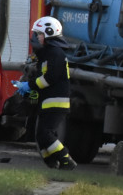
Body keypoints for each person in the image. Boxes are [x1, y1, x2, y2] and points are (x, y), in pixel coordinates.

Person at [15, 16, 77, 170]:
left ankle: (66, 160)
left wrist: (28, 86)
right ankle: (52, 164)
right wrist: (27, 91)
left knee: (46, 134)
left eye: (38, 34)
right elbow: (40, 77)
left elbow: (50, 78)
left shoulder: (55, 54)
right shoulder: (47, 54)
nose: (36, 38)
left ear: (49, 34)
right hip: (47, 102)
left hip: (56, 102)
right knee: (40, 136)